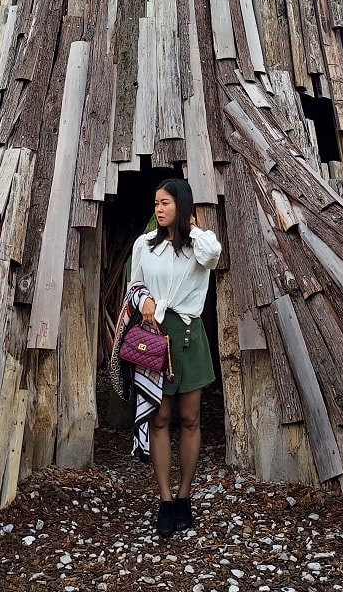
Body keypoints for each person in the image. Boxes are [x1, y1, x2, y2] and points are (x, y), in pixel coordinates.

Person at [128, 177, 222, 537]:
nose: (159, 209)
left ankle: (185, 496)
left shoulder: (198, 247)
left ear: (181, 206)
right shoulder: (144, 246)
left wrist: (192, 226)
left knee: (191, 417)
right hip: (154, 336)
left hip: (187, 333)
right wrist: (145, 301)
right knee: (161, 416)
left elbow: (213, 255)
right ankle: (165, 500)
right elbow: (134, 286)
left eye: (166, 203)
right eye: (156, 203)